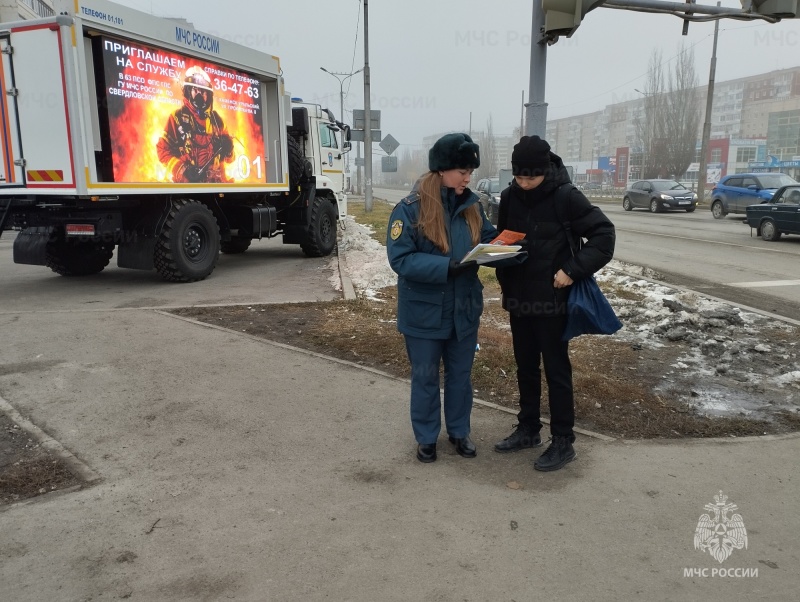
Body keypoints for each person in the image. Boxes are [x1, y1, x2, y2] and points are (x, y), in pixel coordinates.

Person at [494, 135, 616, 471]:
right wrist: (495, 260)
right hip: (519, 300)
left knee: (557, 372)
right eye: (519, 177)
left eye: (530, 177)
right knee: (526, 369)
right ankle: (528, 429)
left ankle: (563, 441)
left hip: (553, 302)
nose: (524, 184)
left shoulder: (566, 197)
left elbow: (604, 236)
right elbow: (503, 239)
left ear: (545, 170)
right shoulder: (508, 197)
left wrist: (571, 271)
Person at [386, 133, 499, 463]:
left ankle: (460, 432)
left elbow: (488, 239)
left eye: (470, 172)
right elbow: (401, 259)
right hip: (423, 314)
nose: (468, 178)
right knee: (425, 377)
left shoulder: (472, 207)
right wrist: (445, 267)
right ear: (442, 170)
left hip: (463, 310)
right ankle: (426, 437)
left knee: (460, 378)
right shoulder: (410, 210)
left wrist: (508, 247)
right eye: (462, 171)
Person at [157, 66, 235, 183]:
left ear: (208, 95)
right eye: (195, 90)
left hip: (216, 184)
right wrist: (183, 170)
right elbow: (162, 151)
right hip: (188, 185)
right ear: (188, 92)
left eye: (203, 92)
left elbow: (230, 160)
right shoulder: (177, 118)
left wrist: (229, 149)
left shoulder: (217, 121)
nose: (199, 95)